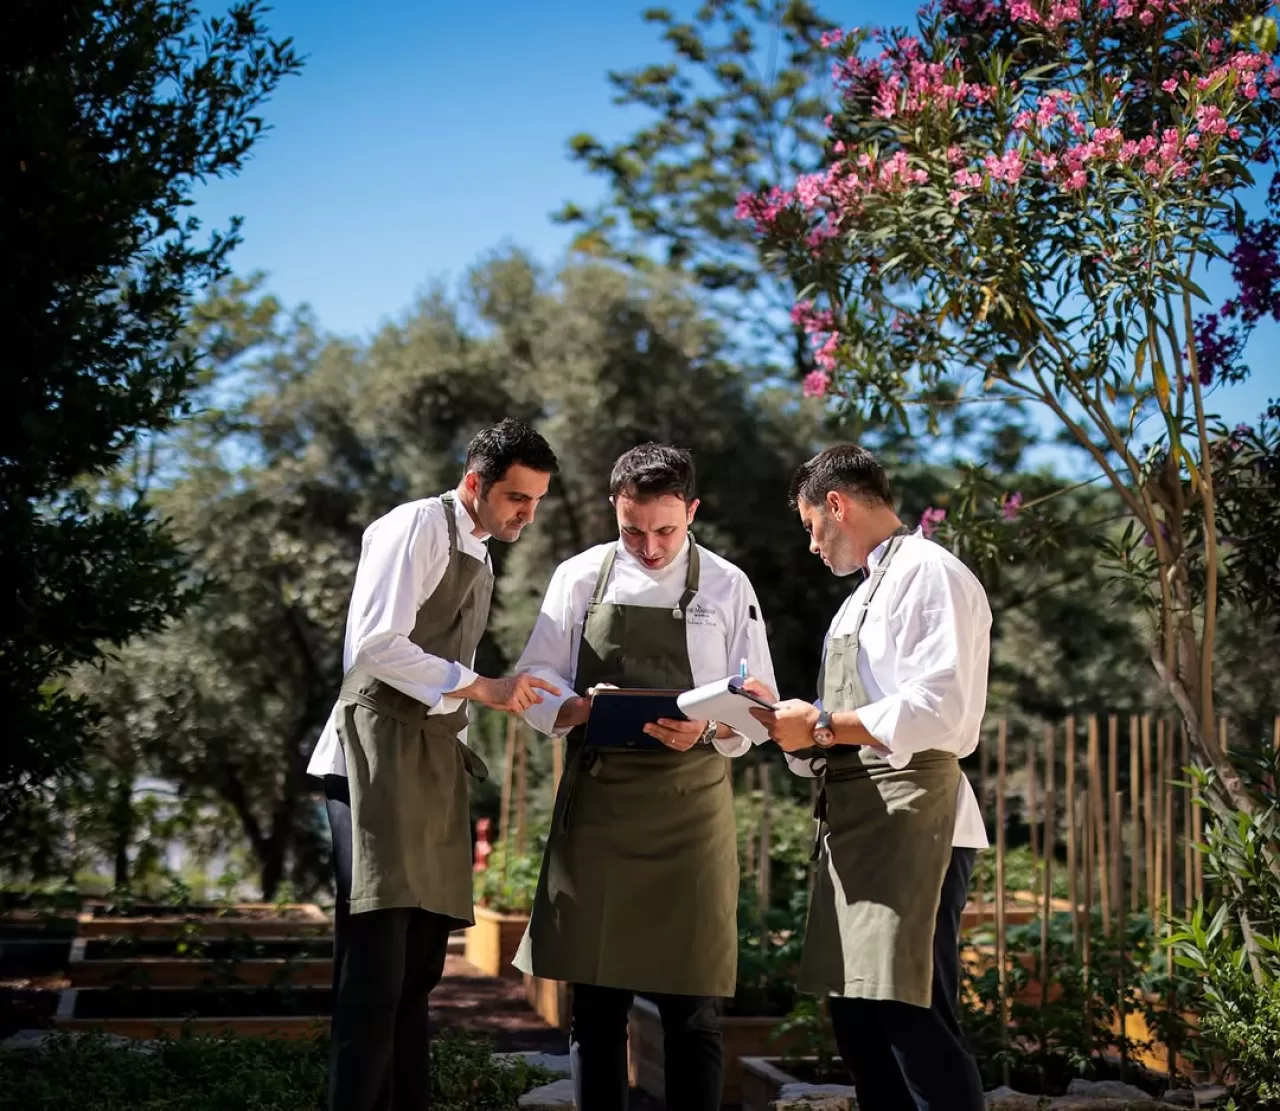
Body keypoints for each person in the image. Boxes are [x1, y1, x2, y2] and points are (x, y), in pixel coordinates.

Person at [510, 443, 778, 1111]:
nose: (650, 547)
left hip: (692, 815)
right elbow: (532, 682)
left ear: (691, 511)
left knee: (694, 1012)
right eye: (633, 529)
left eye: (665, 529)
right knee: (595, 1009)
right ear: (615, 508)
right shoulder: (578, 577)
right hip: (600, 811)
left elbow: (762, 702)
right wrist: (574, 707)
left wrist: (711, 728)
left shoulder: (727, 585)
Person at [306, 417, 562, 1111]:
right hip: (372, 758)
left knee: (418, 969)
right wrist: (482, 686)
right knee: (376, 968)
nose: (527, 514)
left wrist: (485, 697)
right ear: (475, 482)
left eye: (536, 501)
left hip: (431, 759)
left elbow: (443, 670)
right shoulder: (414, 526)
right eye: (517, 498)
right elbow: (374, 644)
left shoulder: (478, 554)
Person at [746, 443, 990, 1111]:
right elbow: (844, 728)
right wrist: (787, 727)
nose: (812, 545)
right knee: (858, 1026)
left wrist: (821, 722)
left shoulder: (931, 574)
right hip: (855, 828)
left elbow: (941, 709)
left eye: (810, 527)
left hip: (915, 823)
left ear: (836, 504)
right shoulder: (858, 600)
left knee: (915, 1018)